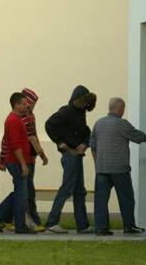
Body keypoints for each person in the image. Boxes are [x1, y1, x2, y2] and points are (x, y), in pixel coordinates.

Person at [90, 97, 146, 235]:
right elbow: (137, 136)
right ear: (120, 108)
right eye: (123, 108)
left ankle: (101, 228)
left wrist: (97, 163)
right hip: (119, 168)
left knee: (101, 200)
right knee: (126, 197)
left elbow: (93, 146)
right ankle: (129, 226)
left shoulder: (98, 123)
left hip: (102, 168)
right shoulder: (121, 124)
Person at [0, 88, 48, 232]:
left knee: (21, 193)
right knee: (22, 194)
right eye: (25, 104)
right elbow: (13, 143)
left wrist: (40, 153)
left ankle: (4, 219)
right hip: (17, 162)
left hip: (23, 160)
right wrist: (21, 163)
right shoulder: (13, 120)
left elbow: (31, 138)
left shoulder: (21, 118)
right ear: (16, 105)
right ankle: (16, 223)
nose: (28, 106)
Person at [45, 85, 96, 234]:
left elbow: (87, 132)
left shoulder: (81, 114)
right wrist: (59, 142)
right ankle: (52, 222)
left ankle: (83, 225)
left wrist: (85, 144)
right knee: (67, 189)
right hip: (69, 155)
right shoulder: (66, 111)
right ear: (75, 99)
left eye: (85, 101)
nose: (83, 103)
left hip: (77, 155)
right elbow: (49, 125)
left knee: (80, 191)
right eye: (81, 100)